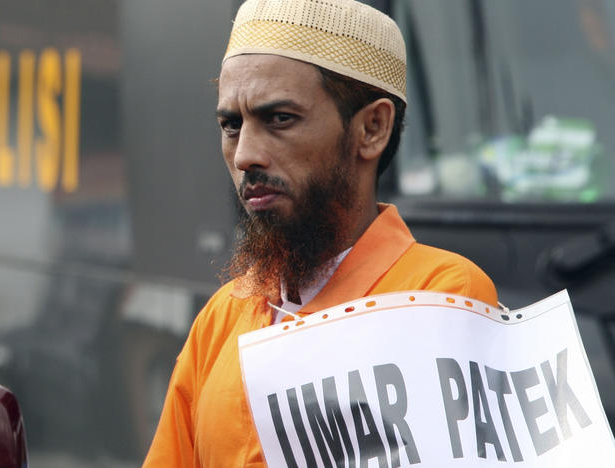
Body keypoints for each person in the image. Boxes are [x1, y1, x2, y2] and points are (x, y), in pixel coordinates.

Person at [143, 0, 497, 466]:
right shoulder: (222, 317)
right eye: (232, 125)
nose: (246, 154)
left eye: (280, 119)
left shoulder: (442, 296)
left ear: (372, 128)